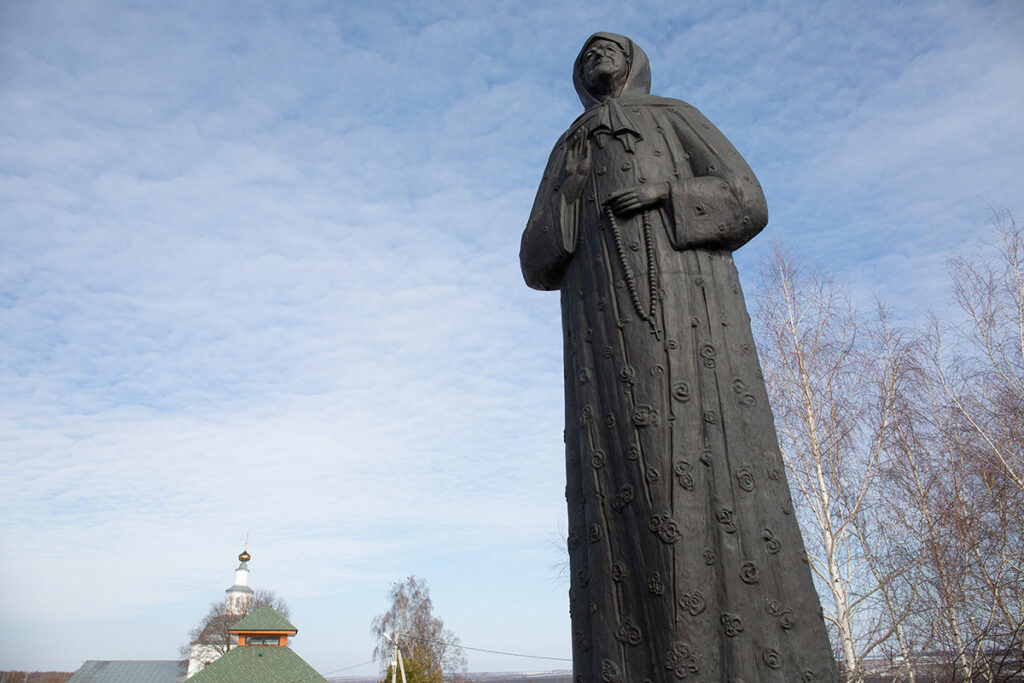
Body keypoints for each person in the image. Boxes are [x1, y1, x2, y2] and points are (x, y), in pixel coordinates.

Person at [521, 33, 838, 682]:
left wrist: (668, 192)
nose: (594, 59)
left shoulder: (675, 117)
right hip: (600, 341)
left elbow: (748, 198)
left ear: (634, 61)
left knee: (705, 463)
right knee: (622, 485)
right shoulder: (571, 146)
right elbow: (534, 258)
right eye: (584, 55)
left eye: (607, 49)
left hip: (692, 319)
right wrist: (570, 195)